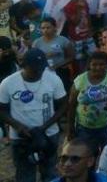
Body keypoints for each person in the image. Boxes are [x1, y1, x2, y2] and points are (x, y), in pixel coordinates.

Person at [0, 48, 67, 182]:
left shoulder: (53, 79)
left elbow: (64, 104)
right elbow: (1, 109)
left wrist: (45, 126)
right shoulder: (8, 83)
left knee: (50, 173)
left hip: (49, 134)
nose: (39, 71)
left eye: (41, 68)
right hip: (20, 138)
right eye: (34, 68)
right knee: (25, 175)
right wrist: (18, 126)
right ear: (23, 65)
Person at [66, 52, 107, 151]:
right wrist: (70, 129)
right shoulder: (80, 80)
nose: (98, 67)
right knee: (87, 155)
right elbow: (71, 105)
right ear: (89, 65)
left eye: (101, 64)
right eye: (94, 64)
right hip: (84, 128)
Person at [32, 17, 75, 88]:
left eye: (48, 28)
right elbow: (33, 59)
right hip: (44, 72)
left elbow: (71, 56)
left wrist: (57, 66)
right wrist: (44, 56)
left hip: (61, 70)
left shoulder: (63, 40)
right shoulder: (36, 43)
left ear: (55, 28)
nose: (45, 30)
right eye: (43, 28)